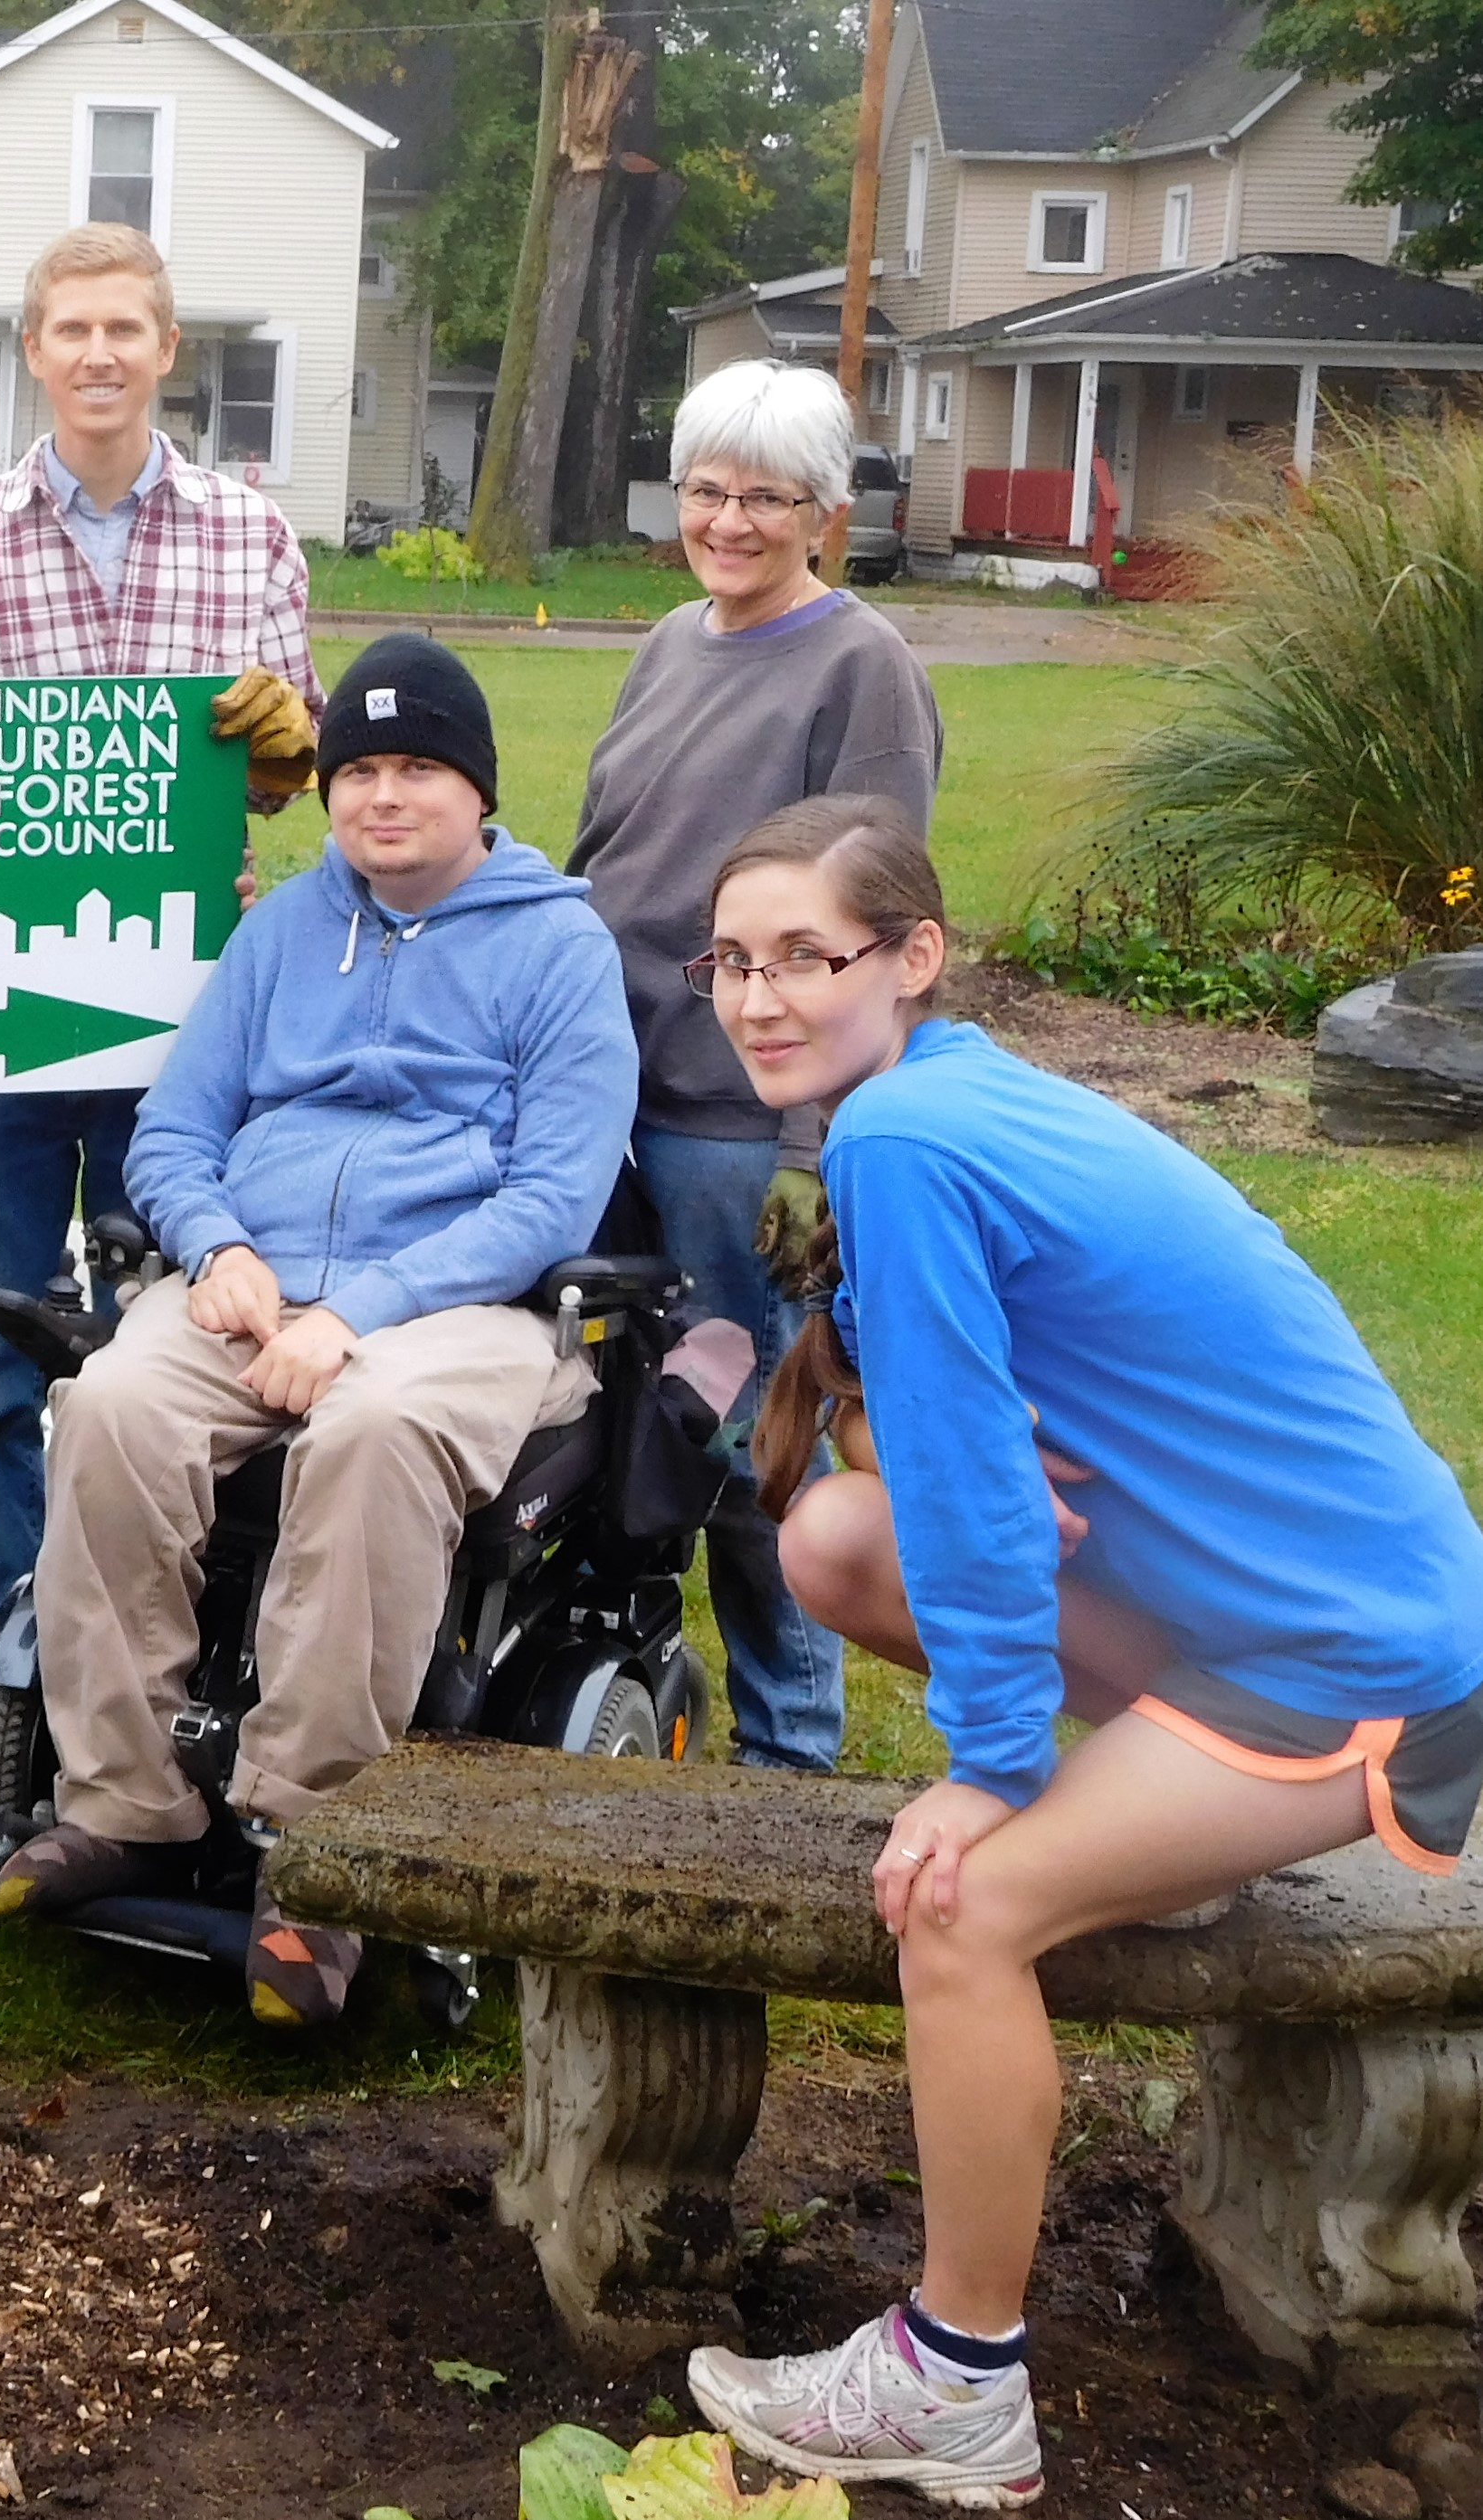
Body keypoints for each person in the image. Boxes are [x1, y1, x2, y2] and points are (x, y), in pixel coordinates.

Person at [679, 795, 1483, 2506]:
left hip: (1350, 1654)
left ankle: (955, 2379)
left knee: (959, 1912)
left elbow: (976, 1498)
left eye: (804, 956)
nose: (758, 996)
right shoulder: (935, 1097)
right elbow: (910, 1451)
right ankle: (1162, 1831)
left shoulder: (903, 1141)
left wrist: (987, 1775)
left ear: (911, 954)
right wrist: (932, 1442)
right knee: (833, 1540)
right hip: (1250, 1614)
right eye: (729, 961)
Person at [0, 637, 638, 2028]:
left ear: (476, 789)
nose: (382, 796)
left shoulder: (558, 947)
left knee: (370, 1430)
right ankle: (126, 1804)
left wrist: (353, 1315)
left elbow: (551, 1197)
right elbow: (175, 1128)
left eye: (416, 769)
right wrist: (217, 1246)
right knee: (107, 1406)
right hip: (251, 1280)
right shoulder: (284, 928)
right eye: (357, 771)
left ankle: (315, 1847)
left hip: (461, 1305)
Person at [0, 222, 321, 1793]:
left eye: (122, 328)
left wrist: (285, 744)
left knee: (178, 1348)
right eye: (68, 328)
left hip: (189, 1015)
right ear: (33, 348)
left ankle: (168, 1653)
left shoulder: (245, 535)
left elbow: (280, 777)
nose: (95, 354)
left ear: (164, 349)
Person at [566, 357, 941, 1778]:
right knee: (630, 1426)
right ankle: (623, 1690)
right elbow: (606, 858)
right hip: (609, 1104)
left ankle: (788, 1760)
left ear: (824, 513)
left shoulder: (860, 667)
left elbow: (870, 935)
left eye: (767, 498)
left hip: (742, 1127)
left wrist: (808, 1148)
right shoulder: (671, 640)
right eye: (706, 489)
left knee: (752, 1446)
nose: (728, 521)